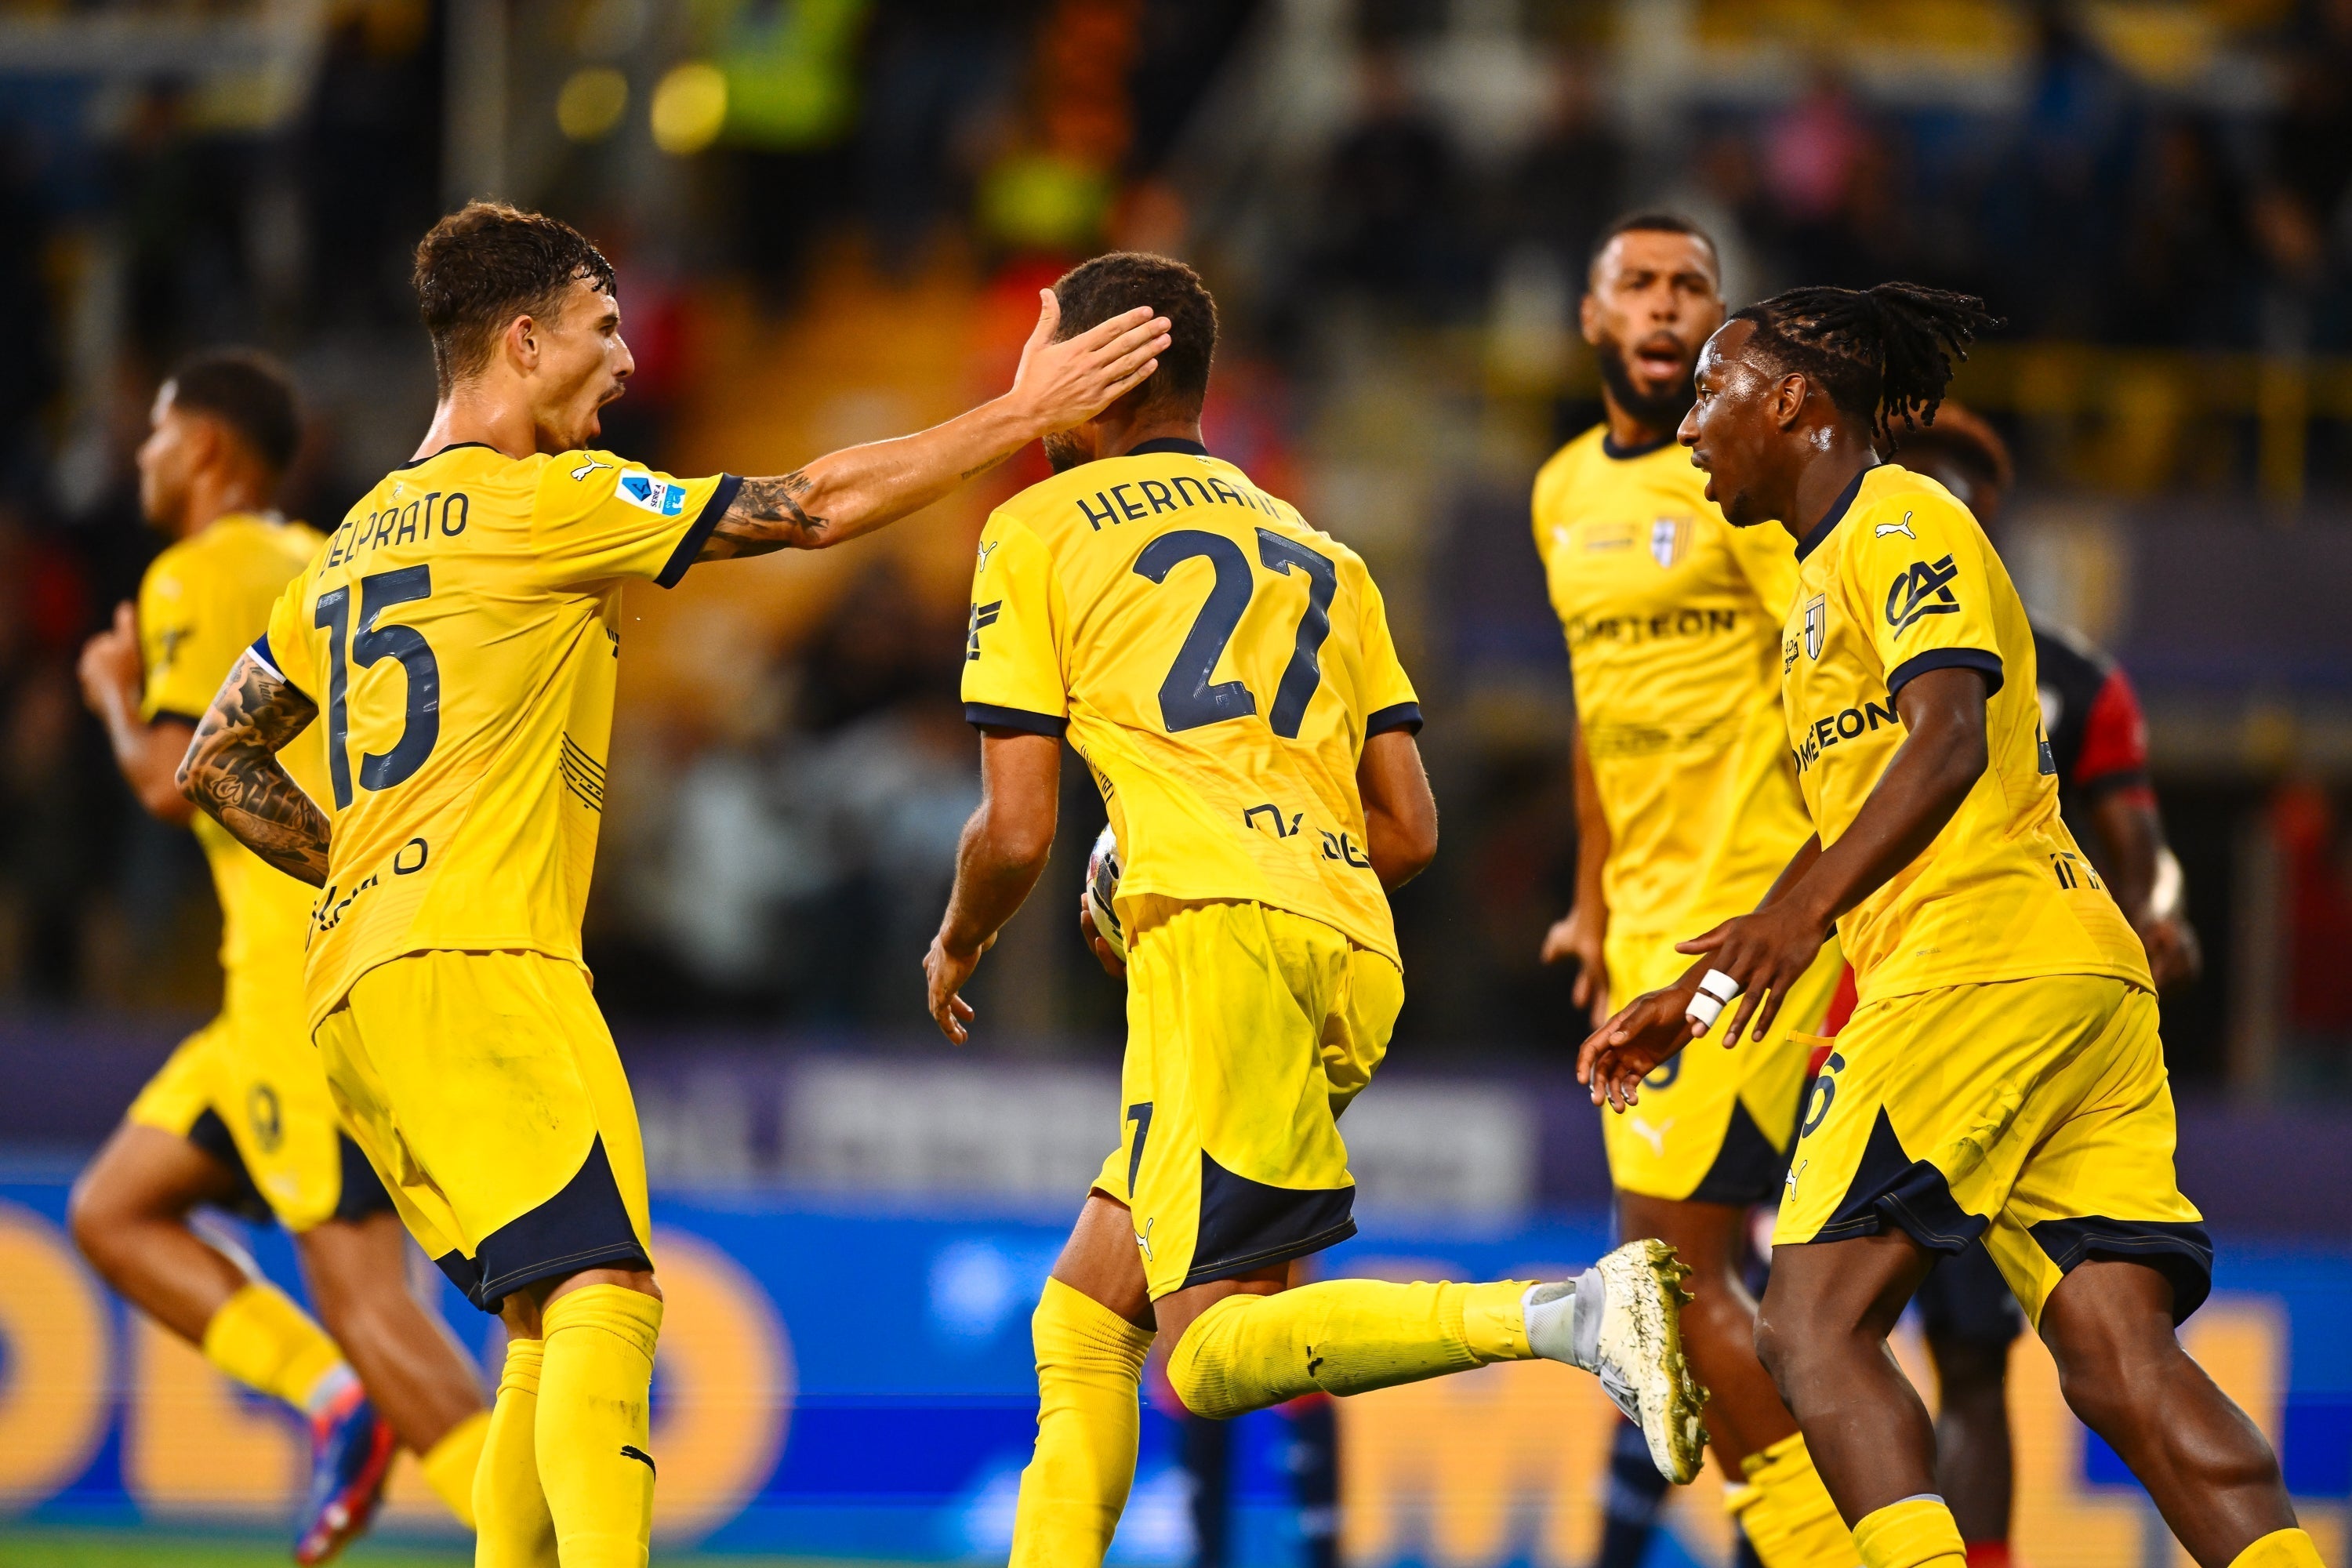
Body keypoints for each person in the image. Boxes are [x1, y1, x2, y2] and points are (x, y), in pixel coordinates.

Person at [176, 201, 1172, 1568]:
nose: (632, 360)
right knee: (604, 1295)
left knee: (546, 1320)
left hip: (373, 979)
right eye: (603, 328)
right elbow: (813, 507)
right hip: (479, 968)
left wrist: (358, 865)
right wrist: (1021, 412)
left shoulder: (352, 542)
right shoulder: (540, 502)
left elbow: (217, 756)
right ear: (521, 344)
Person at [920, 250, 1708, 1568]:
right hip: (1346, 937)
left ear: (1099, 368)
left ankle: (1566, 1317)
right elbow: (1409, 829)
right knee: (1086, 1316)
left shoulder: (1038, 528)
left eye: (1045, 347)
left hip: (1213, 937)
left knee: (1208, 1356)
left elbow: (1015, 828)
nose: (1026, 377)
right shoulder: (1321, 549)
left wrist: (961, 937)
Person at [1581, 281, 2322, 1568]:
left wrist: (1793, 919)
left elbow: (1949, 743)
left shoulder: (1902, 515)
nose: (1692, 426)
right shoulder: (1819, 597)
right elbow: (1850, 831)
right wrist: (1699, 1002)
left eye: (1713, 390)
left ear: (1796, 400)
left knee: (1807, 1325)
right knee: (2114, 1355)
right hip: (2061, 983)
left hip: (1975, 970)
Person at [71, 350, 488, 1563]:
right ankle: (332, 1401)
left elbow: (169, 780)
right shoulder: (325, 562)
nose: (141, 458)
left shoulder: (197, 572)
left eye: (155, 434)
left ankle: (526, 1544)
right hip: (331, 953)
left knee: (363, 1296)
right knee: (115, 1210)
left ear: (204, 448)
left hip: (292, 989)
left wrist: (109, 689)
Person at [1802, 402, 2203, 1568]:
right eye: (1922, 476)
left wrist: (2163, 914)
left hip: (1993, 1004)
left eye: (1967, 488)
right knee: (1841, 1338)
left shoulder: (2068, 675)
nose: (1942, 503)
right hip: (1872, 1018)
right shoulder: (1832, 624)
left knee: (1910, 1346)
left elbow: (2148, 844)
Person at [1533, 212, 1849, 1568]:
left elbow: (1836, 674)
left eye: (1693, 288)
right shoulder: (1562, 493)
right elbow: (1598, 719)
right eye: (1640, 286)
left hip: (1747, 928)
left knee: (1671, 1279)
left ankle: (1833, 1549)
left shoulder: (1739, 480)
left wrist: (1810, 901)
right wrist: (1591, 901)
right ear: (1594, 318)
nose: (1666, 307)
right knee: (1747, 1294)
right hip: (1647, 930)